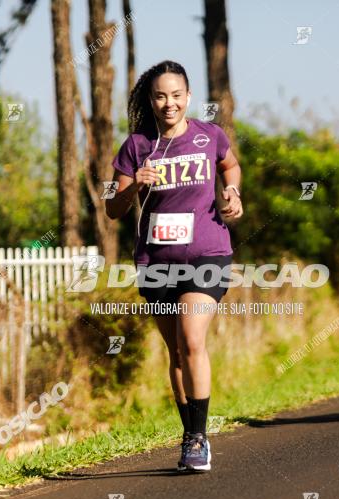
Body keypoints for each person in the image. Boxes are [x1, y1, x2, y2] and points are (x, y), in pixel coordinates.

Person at [106, 60, 243, 470]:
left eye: (177, 95)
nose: (170, 103)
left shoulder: (209, 136)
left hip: (207, 253)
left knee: (192, 339)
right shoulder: (136, 147)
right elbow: (112, 208)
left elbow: (229, 165)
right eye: (161, 96)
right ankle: (190, 436)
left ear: (188, 96)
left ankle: (199, 438)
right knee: (177, 354)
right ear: (151, 100)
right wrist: (136, 187)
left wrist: (232, 192)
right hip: (156, 261)